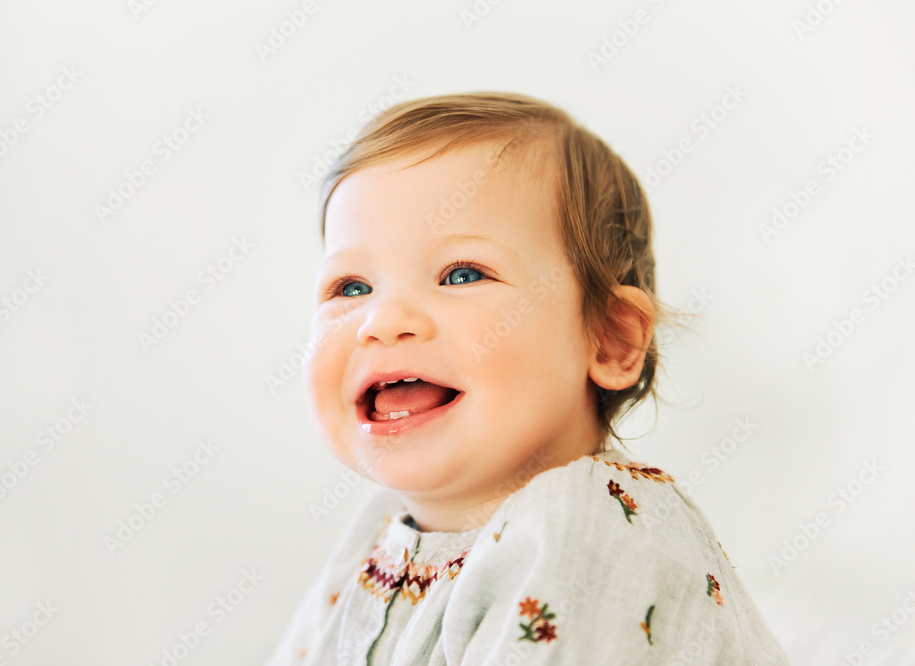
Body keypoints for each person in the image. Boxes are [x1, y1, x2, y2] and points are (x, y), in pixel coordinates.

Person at [266, 92, 789, 664]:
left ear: (610, 340)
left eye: (462, 274)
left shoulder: (581, 526)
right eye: (351, 287)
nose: (382, 321)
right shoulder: (379, 533)